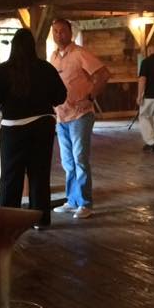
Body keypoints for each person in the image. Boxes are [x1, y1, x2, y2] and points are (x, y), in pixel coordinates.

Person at [0, 28, 66, 230]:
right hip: (43, 126)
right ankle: (41, 220)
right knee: (39, 174)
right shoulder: (46, 68)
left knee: (11, 176)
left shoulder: (2, 70)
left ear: (13, 47)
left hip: (13, 129)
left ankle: (8, 222)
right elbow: (60, 96)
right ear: (32, 47)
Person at [49, 18, 110, 219]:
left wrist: (90, 97)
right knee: (67, 162)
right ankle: (72, 200)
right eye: (55, 31)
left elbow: (103, 74)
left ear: (71, 33)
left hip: (80, 115)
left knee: (80, 159)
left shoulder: (80, 53)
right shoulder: (53, 56)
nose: (59, 35)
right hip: (61, 116)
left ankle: (85, 203)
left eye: (62, 31)